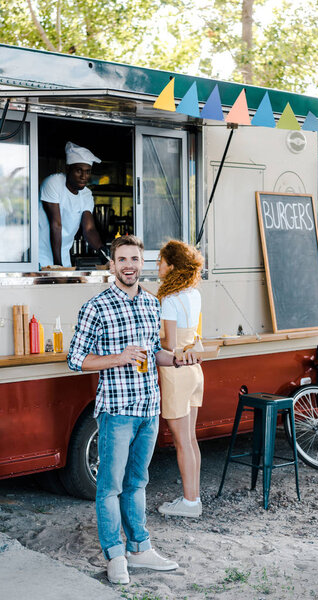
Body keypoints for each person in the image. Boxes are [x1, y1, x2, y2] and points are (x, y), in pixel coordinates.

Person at [67, 235, 199, 585]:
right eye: (122, 259)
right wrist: (119, 358)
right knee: (109, 487)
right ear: (112, 265)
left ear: (143, 264)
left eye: (135, 259)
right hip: (116, 410)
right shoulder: (96, 306)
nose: (129, 265)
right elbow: (76, 359)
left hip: (149, 406)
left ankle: (139, 549)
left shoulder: (153, 304)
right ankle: (114, 555)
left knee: (138, 482)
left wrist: (178, 359)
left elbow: (156, 351)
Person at [157, 240, 204, 518]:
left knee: (181, 441)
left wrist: (148, 338)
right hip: (194, 371)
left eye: (161, 261)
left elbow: (169, 344)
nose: (158, 266)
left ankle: (189, 503)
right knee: (191, 439)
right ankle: (193, 498)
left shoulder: (170, 299)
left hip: (176, 372)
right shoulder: (193, 293)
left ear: (172, 265)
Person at [39, 141, 108, 267]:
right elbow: (56, 225)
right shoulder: (54, 183)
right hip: (39, 255)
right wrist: (58, 266)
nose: (84, 176)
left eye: (88, 171)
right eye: (79, 170)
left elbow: (89, 229)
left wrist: (102, 252)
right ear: (68, 169)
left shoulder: (86, 195)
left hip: (63, 257)